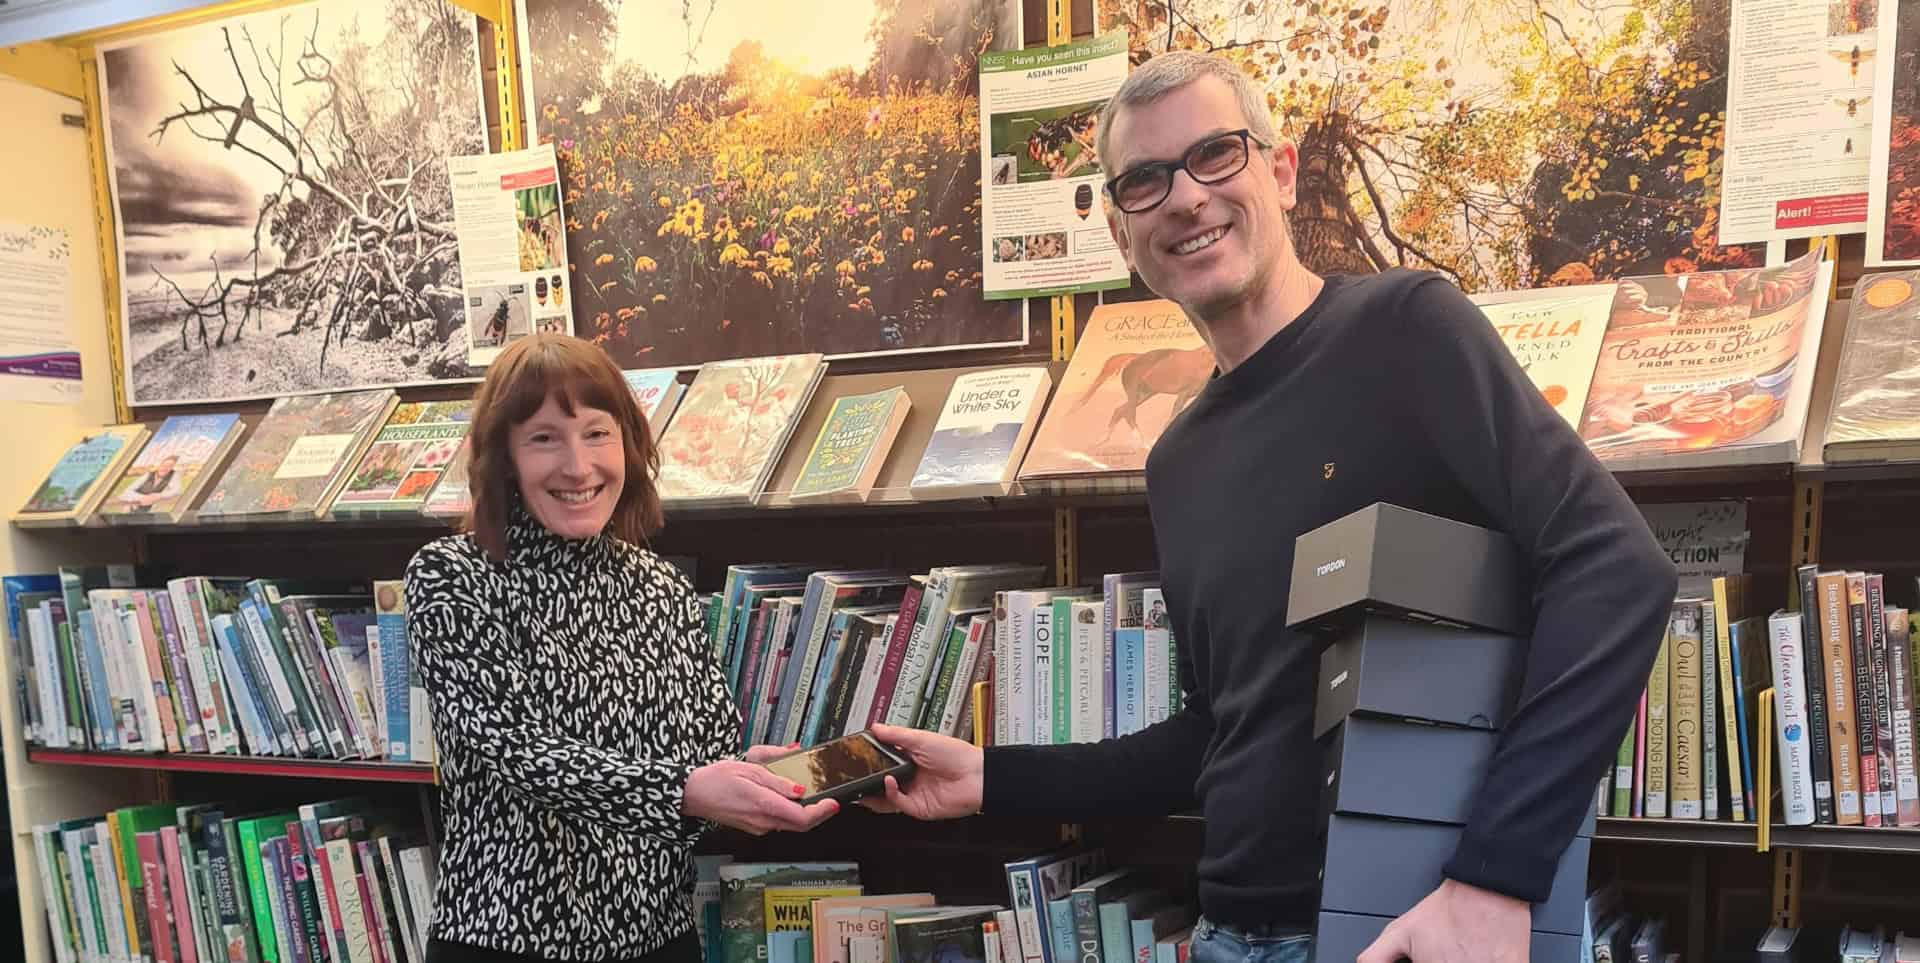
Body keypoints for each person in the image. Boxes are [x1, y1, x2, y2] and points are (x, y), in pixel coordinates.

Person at [864, 51, 1676, 963]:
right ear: (1121, 233)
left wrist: (1499, 874)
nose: (1185, 197)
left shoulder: (1409, 330)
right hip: (1228, 933)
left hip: (1405, 932)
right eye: (1145, 180)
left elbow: (1617, 571)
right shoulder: (1177, 461)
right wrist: (993, 777)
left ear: (1280, 172)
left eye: (1216, 154)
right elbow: (1223, 730)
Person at [405, 334, 838, 963]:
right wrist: (689, 790)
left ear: (630, 446)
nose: (579, 467)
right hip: (509, 942)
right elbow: (518, 750)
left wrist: (747, 775)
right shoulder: (452, 575)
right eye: (544, 438)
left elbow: (702, 753)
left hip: (660, 939)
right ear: (503, 458)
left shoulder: (660, 583)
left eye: (598, 433)